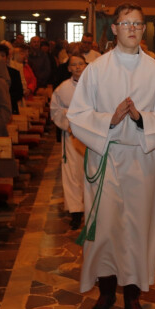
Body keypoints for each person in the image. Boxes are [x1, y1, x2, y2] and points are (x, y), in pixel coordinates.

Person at [67, 2, 155, 309]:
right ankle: (105, 295)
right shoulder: (96, 70)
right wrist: (110, 119)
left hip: (141, 161)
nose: (133, 29)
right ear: (114, 28)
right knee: (105, 230)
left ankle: (132, 298)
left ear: (144, 29)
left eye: (138, 24)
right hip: (106, 158)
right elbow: (77, 115)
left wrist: (141, 117)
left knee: (136, 230)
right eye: (126, 23)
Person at [50, 53, 88, 230]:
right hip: (72, 135)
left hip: (92, 136)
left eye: (81, 63)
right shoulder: (62, 89)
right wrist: (69, 120)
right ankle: (76, 211)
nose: (78, 67)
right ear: (68, 68)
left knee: (90, 172)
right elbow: (55, 110)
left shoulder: (95, 85)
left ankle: (92, 207)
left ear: (86, 66)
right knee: (72, 172)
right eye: (74, 64)